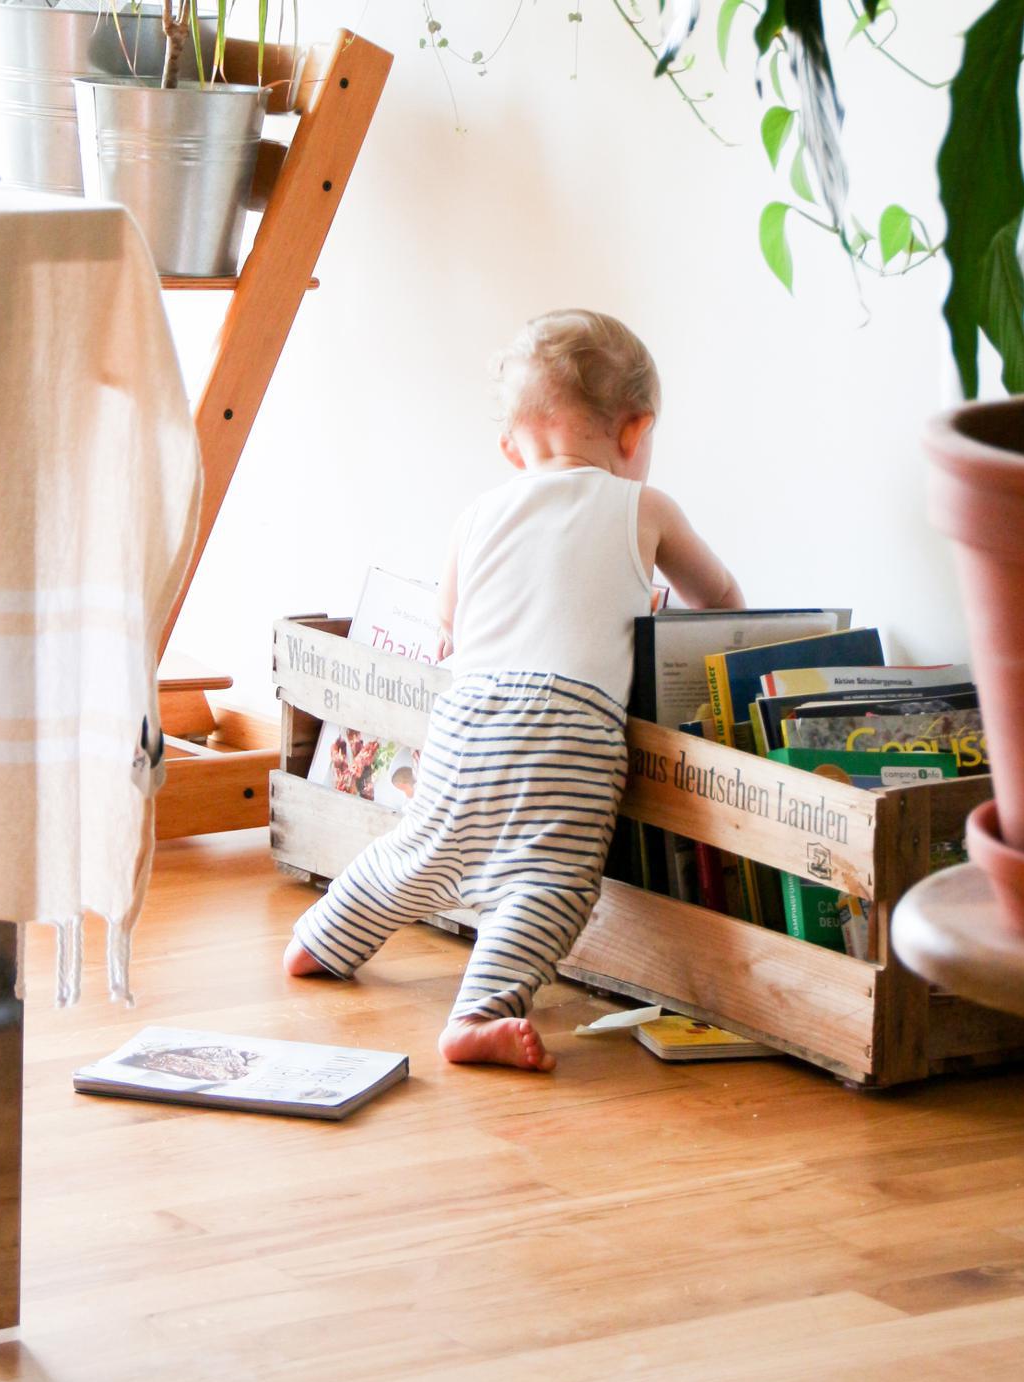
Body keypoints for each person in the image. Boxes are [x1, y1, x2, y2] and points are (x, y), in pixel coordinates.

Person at [284, 310, 742, 1071]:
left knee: (423, 850)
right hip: (570, 725)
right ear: (635, 433)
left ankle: (321, 940)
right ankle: (478, 1012)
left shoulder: (477, 514)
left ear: (511, 446)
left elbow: (448, 626)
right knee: (550, 880)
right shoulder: (644, 507)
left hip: (468, 713)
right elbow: (720, 602)